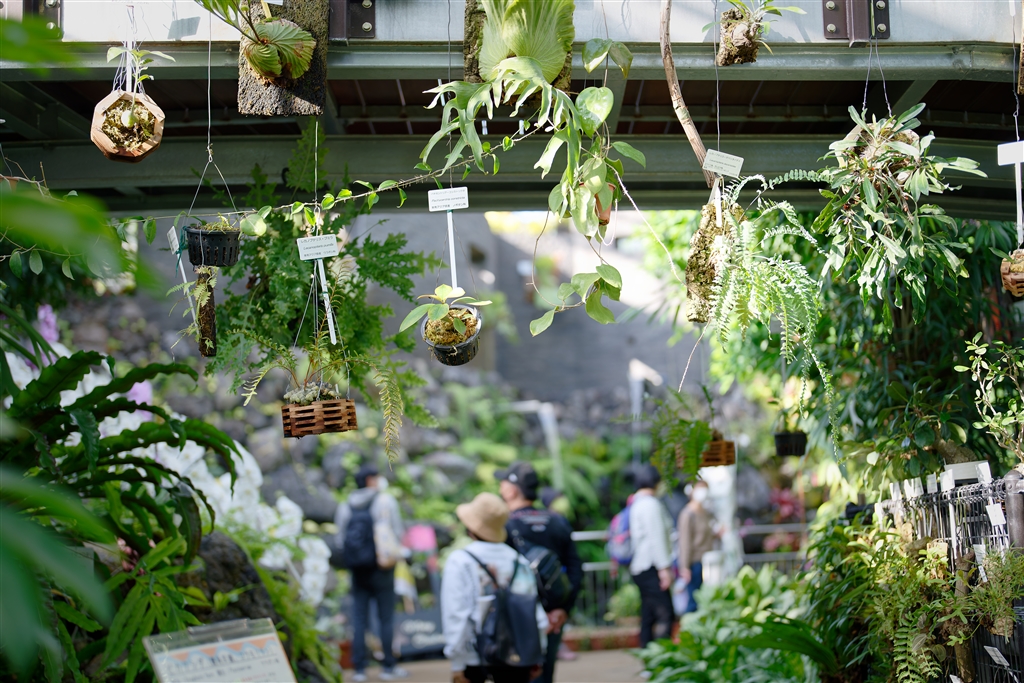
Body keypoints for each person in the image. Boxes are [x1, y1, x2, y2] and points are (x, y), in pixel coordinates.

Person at [441, 492, 548, 683]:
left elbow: (456, 614)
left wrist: (457, 662)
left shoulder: (460, 561)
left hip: (474, 656)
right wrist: (536, 656)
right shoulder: (518, 561)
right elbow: (533, 613)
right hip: (517, 654)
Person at [497, 463, 583, 683]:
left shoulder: (504, 525)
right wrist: (562, 610)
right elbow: (575, 567)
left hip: (517, 617)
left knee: (517, 674)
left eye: (502, 483)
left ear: (511, 490)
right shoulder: (557, 521)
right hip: (554, 615)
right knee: (545, 673)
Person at [334, 464, 410, 682]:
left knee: (359, 618)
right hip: (382, 567)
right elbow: (397, 532)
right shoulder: (385, 501)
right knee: (385, 617)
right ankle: (388, 667)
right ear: (370, 480)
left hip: (358, 569)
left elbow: (340, 540)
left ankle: (359, 670)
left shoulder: (346, 505)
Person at [628, 464, 675, 647]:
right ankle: (661, 654)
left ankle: (647, 651)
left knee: (648, 613)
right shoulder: (650, 504)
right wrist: (664, 569)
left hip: (641, 566)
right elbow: (657, 538)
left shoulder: (637, 503)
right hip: (651, 566)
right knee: (665, 613)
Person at [677, 480, 717, 614]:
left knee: (705, 600)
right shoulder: (688, 514)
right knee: (694, 601)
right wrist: (684, 567)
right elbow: (685, 542)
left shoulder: (705, 512)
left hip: (708, 562)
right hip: (695, 563)